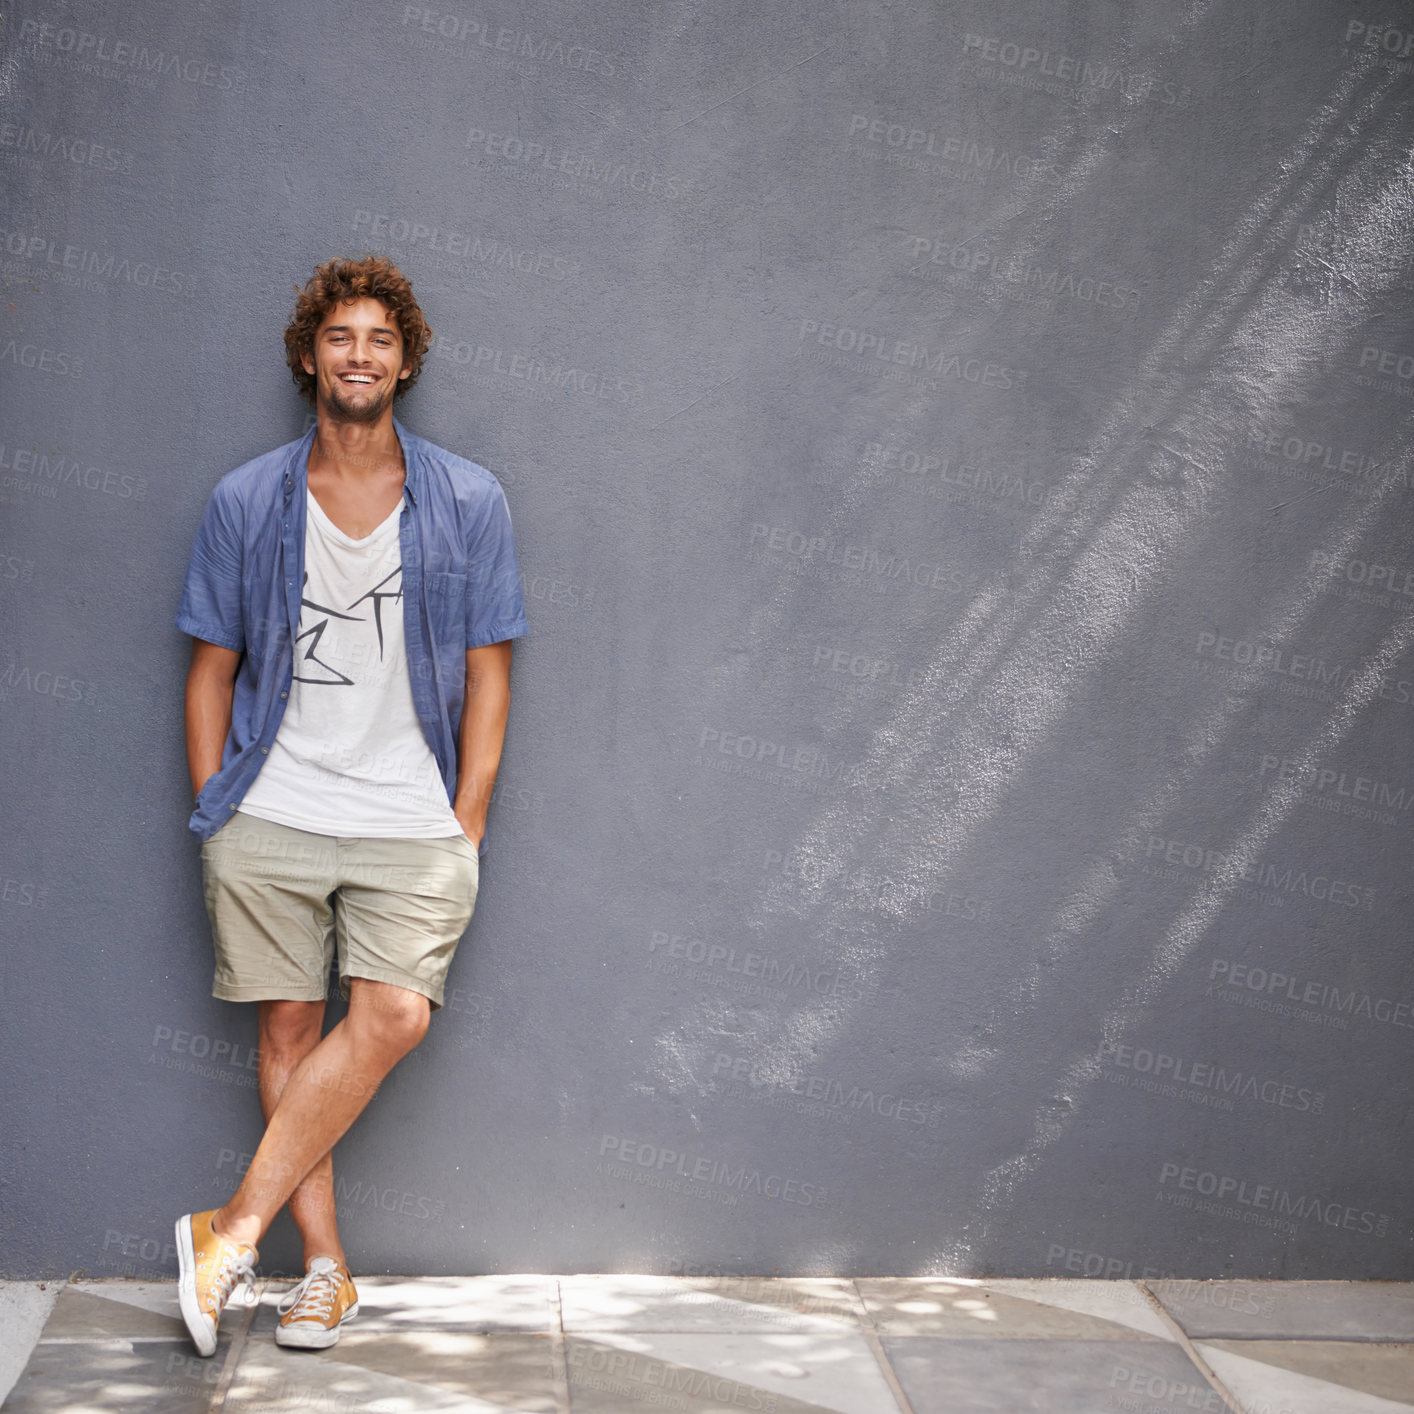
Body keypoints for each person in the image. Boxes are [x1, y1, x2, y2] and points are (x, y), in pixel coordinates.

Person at [172, 256, 526, 1356]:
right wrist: (217, 812)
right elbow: (208, 672)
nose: (359, 354)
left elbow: (491, 671)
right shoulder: (246, 500)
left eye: (378, 337)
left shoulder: (467, 499)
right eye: (339, 337)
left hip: (409, 815)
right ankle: (322, 1271)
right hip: (270, 805)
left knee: (392, 1016)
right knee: (288, 1027)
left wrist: (465, 817)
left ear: (405, 358)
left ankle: (228, 1232)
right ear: (310, 356)